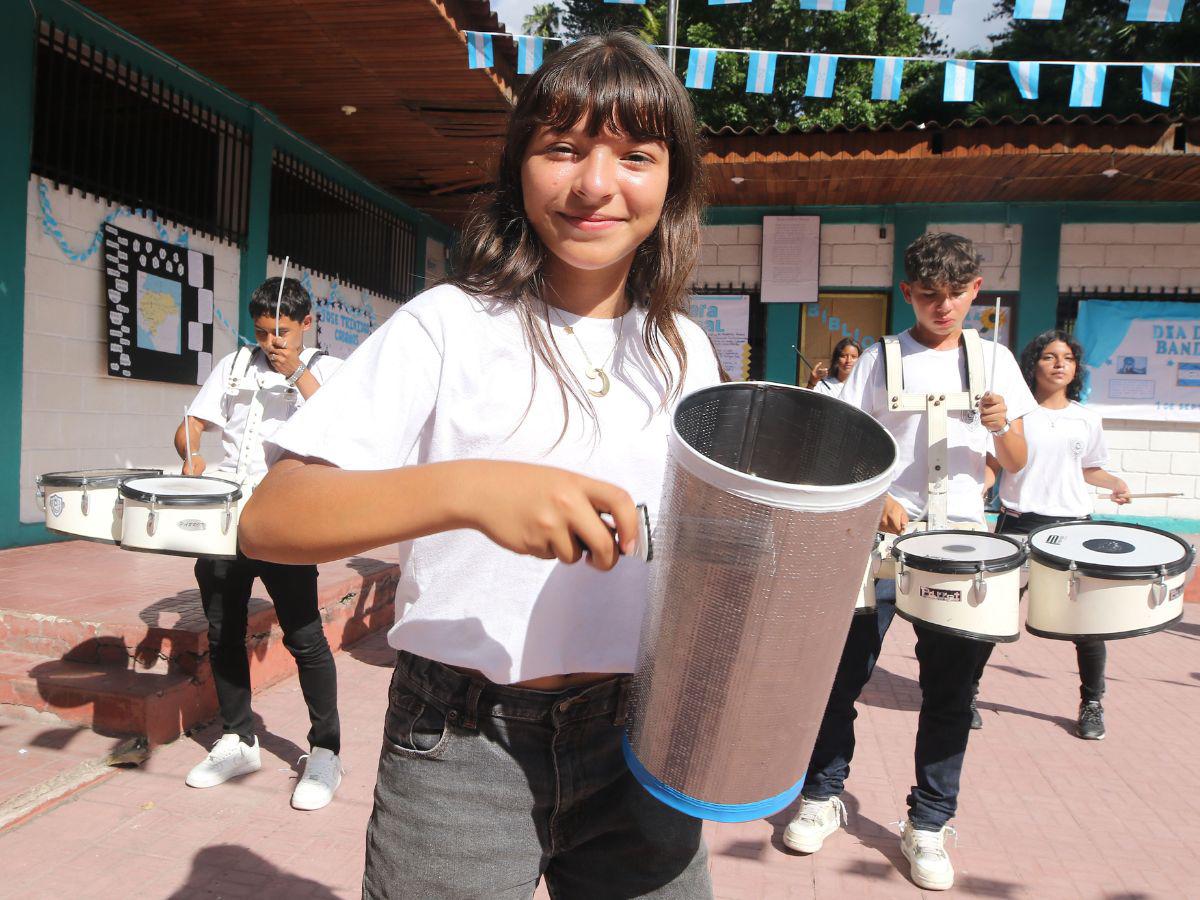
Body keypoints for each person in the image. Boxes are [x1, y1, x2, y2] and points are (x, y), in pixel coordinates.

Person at [239, 33, 721, 899]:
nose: (595, 185)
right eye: (562, 148)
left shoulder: (684, 349)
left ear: (672, 183)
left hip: (641, 746)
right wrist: (468, 490)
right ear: (519, 166)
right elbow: (273, 516)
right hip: (459, 748)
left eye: (635, 156)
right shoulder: (448, 324)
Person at [783, 233, 1036, 891]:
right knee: (841, 673)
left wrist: (1003, 423)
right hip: (878, 543)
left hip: (960, 546)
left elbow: (1014, 461)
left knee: (951, 691)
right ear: (908, 293)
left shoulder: (996, 361)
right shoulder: (878, 357)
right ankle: (823, 792)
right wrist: (878, 498)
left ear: (976, 291)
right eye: (928, 294)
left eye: (955, 294)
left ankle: (928, 821)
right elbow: (842, 446)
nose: (942, 306)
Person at [177, 277, 345, 811]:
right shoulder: (233, 366)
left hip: (287, 519)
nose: (271, 340)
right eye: (263, 331)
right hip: (226, 516)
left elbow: (338, 427)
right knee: (224, 632)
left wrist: (294, 370)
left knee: (304, 636)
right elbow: (191, 424)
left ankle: (325, 751)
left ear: (306, 325)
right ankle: (238, 738)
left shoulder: (325, 370)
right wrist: (190, 449)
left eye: (282, 331)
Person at [973, 330, 1131, 740]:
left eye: (1067, 357)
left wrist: (1114, 482)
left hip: (1074, 529)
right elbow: (998, 462)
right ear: (1034, 365)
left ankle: (1091, 703)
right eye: (1049, 356)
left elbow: (1088, 468)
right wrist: (980, 484)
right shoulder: (1017, 417)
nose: (1059, 363)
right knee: (994, 616)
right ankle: (966, 694)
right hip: (1019, 525)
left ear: (1076, 368)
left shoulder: (1087, 418)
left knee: (1088, 624)